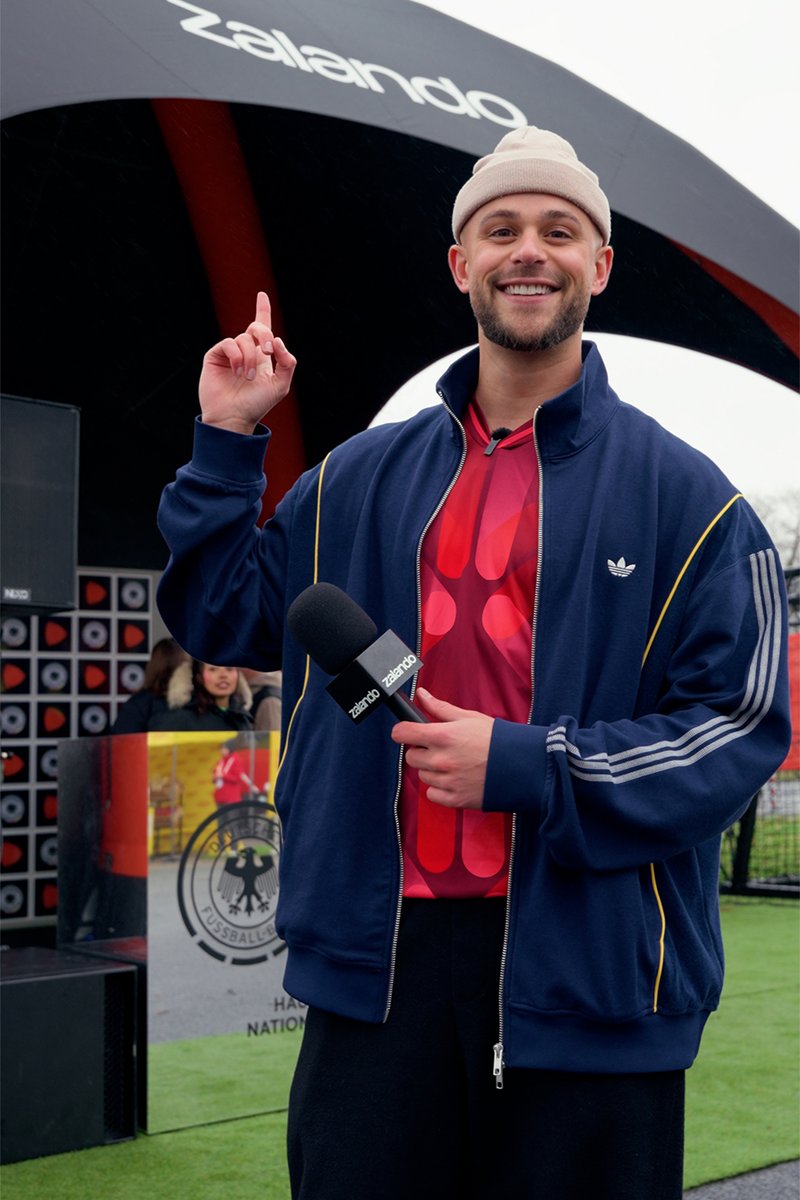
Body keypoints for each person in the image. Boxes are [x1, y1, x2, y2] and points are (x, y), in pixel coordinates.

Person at [156, 127, 791, 1200]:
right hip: (375, 971)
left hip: (589, 981)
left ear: (598, 264)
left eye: (558, 230)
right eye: (498, 229)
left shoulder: (692, 501)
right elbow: (223, 619)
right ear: (462, 265)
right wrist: (227, 441)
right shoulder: (357, 476)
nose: (526, 250)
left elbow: (735, 730)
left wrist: (527, 766)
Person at [148, 659, 253, 733]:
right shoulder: (179, 720)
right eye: (213, 669)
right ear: (199, 678)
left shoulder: (243, 718)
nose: (223, 675)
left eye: (229, 669)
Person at [111, 636, 189, 733]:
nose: (190, 671)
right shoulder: (141, 705)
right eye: (185, 665)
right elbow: (123, 743)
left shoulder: (195, 702)